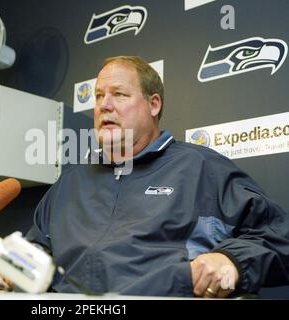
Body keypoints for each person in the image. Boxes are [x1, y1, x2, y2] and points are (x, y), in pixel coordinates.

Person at [22, 56, 289, 298]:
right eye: (99, 96)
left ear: (153, 104)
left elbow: (278, 238)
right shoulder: (70, 182)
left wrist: (232, 260)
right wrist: (20, 265)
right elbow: (37, 246)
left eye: (119, 94)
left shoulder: (200, 168)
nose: (104, 105)